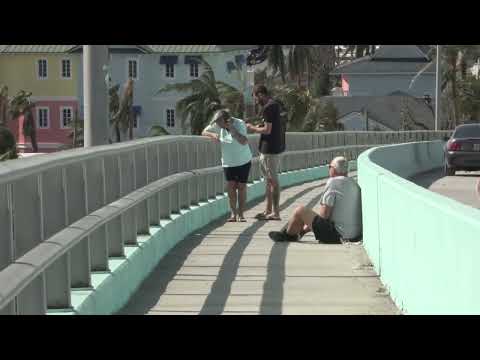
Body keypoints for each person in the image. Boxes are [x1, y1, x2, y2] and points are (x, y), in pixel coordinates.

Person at [268, 156, 362, 243]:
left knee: (299, 211)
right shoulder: (354, 184)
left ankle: (288, 236)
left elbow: (324, 216)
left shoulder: (333, 182)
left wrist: (305, 228)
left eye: (329, 166)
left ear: (333, 169)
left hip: (338, 236)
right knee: (311, 215)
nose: (328, 169)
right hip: (354, 236)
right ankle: (295, 234)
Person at [202, 109, 252, 222]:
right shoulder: (217, 125)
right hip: (228, 162)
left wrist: (233, 130)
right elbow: (203, 132)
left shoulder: (239, 123)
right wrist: (212, 134)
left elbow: (244, 141)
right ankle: (233, 214)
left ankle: (241, 214)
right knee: (231, 187)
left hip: (243, 160)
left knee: (241, 187)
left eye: (220, 123)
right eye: (217, 124)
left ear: (227, 120)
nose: (218, 126)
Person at [246, 85, 285, 221]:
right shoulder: (275, 105)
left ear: (261, 94)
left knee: (272, 180)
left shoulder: (269, 107)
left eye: (256, 97)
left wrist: (252, 128)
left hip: (270, 149)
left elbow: (267, 130)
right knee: (268, 180)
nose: (256, 101)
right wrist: (257, 126)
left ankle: (276, 213)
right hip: (273, 147)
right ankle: (268, 210)